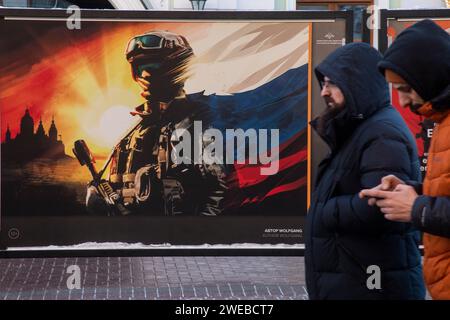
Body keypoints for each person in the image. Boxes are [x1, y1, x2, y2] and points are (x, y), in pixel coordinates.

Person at [305, 42, 425, 300]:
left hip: (371, 282)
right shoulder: (362, 128)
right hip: (357, 278)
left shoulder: (381, 133)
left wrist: (323, 212)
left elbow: (382, 207)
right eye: (323, 83)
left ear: (356, 83)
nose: (324, 92)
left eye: (332, 83)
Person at [85, 30, 228, 216]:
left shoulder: (198, 119)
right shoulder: (130, 131)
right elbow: (120, 183)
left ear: (179, 68)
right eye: (139, 66)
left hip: (175, 236)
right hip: (129, 238)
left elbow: (218, 190)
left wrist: (196, 235)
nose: (145, 74)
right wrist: (98, 197)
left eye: (154, 66)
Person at [360, 19, 450, 299]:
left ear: (429, 75)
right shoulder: (443, 120)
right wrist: (413, 190)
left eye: (405, 89)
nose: (402, 102)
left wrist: (417, 208)